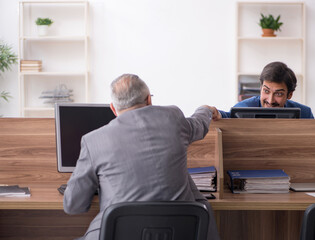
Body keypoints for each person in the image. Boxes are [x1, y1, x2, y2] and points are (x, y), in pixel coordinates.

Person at [63, 74, 221, 240]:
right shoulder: (173, 118)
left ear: (113, 108)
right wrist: (206, 109)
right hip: (180, 232)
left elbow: (73, 205)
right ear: (148, 99)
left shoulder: (93, 140)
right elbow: (199, 125)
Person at [219, 61, 314, 119]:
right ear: (260, 88)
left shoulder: (305, 113)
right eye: (266, 91)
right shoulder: (245, 107)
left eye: (279, 94)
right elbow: (227, 117)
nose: (270, 100)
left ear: (289, 95)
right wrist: (212, 112)